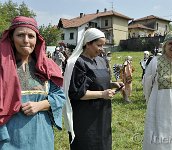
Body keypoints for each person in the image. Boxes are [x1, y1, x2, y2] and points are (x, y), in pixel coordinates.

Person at [0, 16, 72, 150]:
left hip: (41, 138)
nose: (26, 40)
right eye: (20, 35)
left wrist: (41, 105)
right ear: (11, 38)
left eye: (30, 36)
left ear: (37, 40)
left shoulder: (47, 67)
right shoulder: (2, 67)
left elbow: (60, 96)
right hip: (9, 138)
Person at [63, 28, 124, 150]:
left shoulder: (101, 60)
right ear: (88, 43)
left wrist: (112, 84)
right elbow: (76, 93)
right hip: (85, 115)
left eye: (103, 45)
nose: (102, 48)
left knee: (103, 143)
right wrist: (102, 93)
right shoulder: (77, 63)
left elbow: (96, 81)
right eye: (99, 45)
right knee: (88, 143)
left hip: (103, 112)